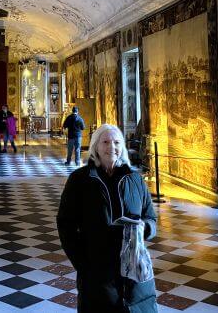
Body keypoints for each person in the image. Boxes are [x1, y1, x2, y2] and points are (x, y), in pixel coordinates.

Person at [57, 124, 158, 312]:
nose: (111, 147)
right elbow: (66, 225)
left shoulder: (135, 179)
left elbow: (150, 216)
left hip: (134, 269)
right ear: (95, 146)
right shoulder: (80, 180)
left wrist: (145, 228)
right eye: (105, 142)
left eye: (117, 142)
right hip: (97, 270)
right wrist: (82, 264)